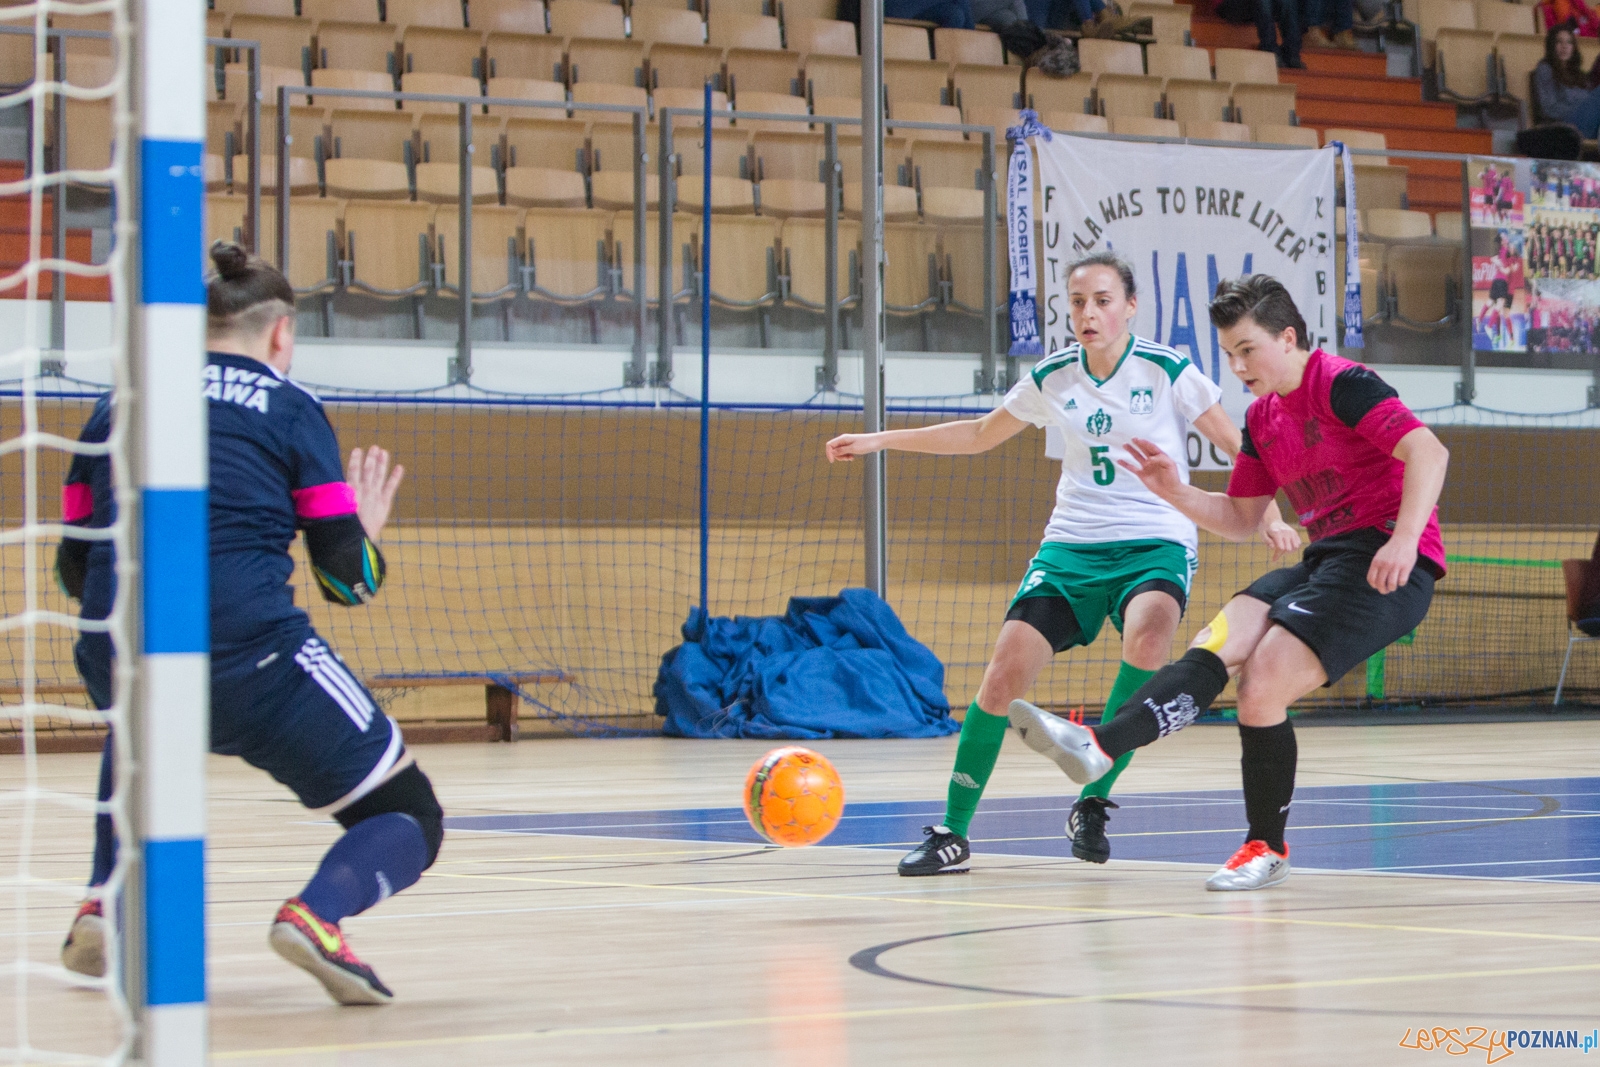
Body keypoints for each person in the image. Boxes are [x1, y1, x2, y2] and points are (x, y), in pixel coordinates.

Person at [825, 254, 1299, 874]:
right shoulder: (1053, 376)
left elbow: (1239, 444)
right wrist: (879, 440)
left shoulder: (1165, 369)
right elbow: (977, 436)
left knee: (1150, 638)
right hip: (1072, 546)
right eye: (1077, 303)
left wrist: (1270, 515)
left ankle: (1093, 800)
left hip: (1154, 538)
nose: (1088, 314)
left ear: (1129, 306)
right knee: (1002, 675)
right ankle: (953, 832)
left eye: (1102, 300)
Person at [59, 243, 443, 1005]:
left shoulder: (114, 404)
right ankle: (318, 916)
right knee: (410, 811)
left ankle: (107, 896)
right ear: (280, 335)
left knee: (140, 712)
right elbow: (346, 579)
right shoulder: (291, 407)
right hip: (252, 661)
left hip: (115, 649)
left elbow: (75, 564)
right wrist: (365, 532)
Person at [1008, 273, 1449, 892]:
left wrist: (1405, 539)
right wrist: (1175, 491)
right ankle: (1099, 746)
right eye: (1230, 354)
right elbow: (1242, 519)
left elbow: (1429, 453)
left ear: (1287, 337)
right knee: (1222, 638)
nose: (1238, 366)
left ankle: (1265, 846)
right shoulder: (1264, 417)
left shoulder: (1343, 384)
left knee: (1262, 685)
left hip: (1388, 566)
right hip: (1325, 562)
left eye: (1248, 350)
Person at [1533, 25, 1600, 135]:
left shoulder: (1578, 74)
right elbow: (1549, 108)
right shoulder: (1545, 69)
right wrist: (1580, 110)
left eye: (1569, 42)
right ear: (1551, 45)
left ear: (1573, 47)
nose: (1564, 46)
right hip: (1563, 125)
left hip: (1586, 122)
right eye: (1559, 42)